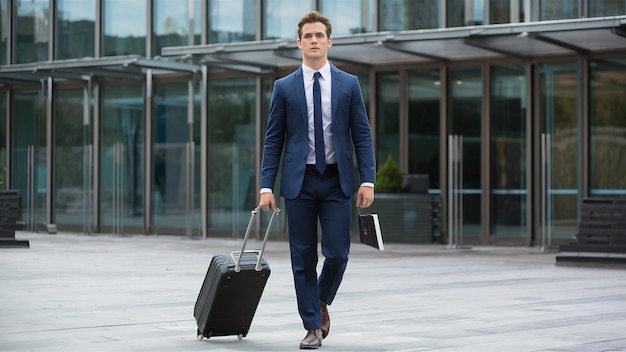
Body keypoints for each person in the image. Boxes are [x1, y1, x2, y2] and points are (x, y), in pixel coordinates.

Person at [258, 11, 376, 350]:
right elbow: (273, 139)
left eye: (319, 35)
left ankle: (319, 301)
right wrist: (267, 185)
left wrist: (367, 179)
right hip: (299, 183)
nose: (313, 40)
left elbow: (362, 136)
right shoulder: (283, 87)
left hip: (337, 181)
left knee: (338, 253)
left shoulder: (348, 84)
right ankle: (312, 326)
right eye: (307, 36)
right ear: (299, 43)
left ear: (329, 41)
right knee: (302, 257)